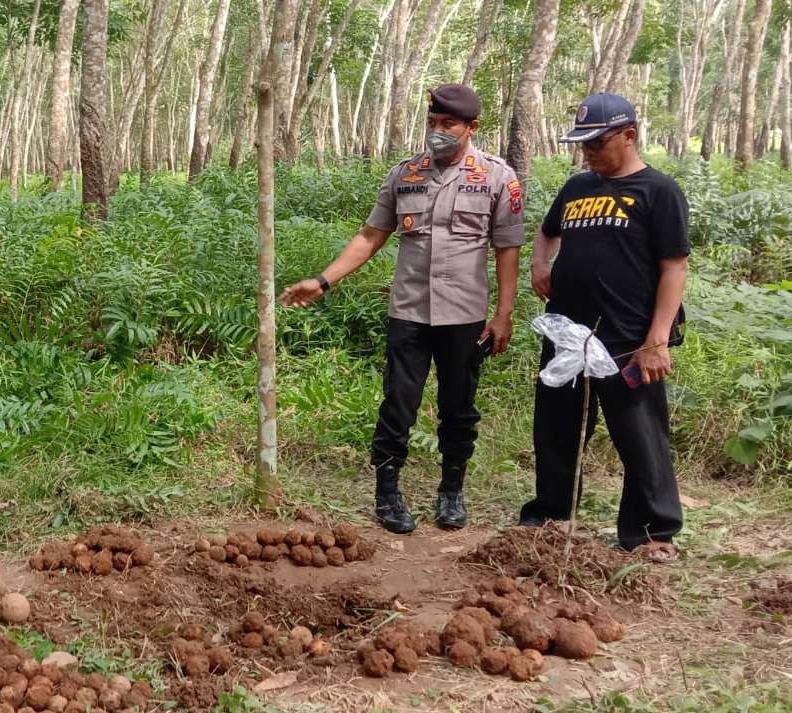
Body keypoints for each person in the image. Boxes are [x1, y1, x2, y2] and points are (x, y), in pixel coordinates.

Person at [281, 84, 525, 534]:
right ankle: (388, 492)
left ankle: (451, 490)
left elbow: (507, 249)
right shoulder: (405, 174)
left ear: (471, 128)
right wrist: (323, 280)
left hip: (465, 315)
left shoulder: (497, 177)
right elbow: (370, 236)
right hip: (409, 311)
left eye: (447, 124)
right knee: (398, 403)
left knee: (459, 407)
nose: (437, 132)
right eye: (432, 123)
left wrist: (504, 313)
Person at [519, 93, 688, 562]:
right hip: (569, 333)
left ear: (629, 135)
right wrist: (539, 263)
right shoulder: (576, 188)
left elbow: (674, 267)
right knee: (557, 427)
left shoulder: (658, 191)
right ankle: (552, 514)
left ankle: (651, 532)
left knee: (640, 434)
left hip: (627, 337)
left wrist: (656, 340)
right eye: (583, 143)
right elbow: (546, 230)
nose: (587, 151)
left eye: (597, 142)